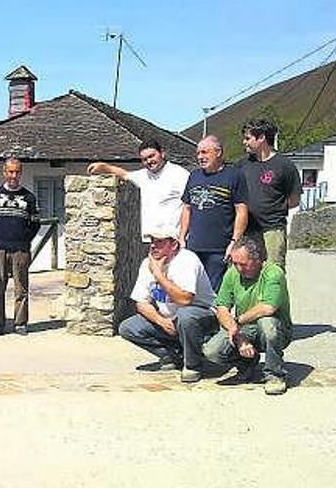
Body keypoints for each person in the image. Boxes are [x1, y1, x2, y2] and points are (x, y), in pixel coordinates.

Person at [117, 227, 217, 383]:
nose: (153, 246)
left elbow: (185, 300)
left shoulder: (187, 261)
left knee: (186, 315)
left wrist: (158, 275)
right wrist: (160, 321)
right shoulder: (147, 264)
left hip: (202, 318)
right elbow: (141, 302)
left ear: (174, 245)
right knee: (128, 327)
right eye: (152, 242)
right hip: (170, 319)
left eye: (159, 242)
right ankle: (171, 355)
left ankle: (193, 365)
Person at [202, 237, 293, 395]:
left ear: (257, 260)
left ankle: (275, 374)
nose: (238, 268)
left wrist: (238, 322)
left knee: (267, 324)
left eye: (243, 264)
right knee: (212, 351)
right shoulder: (232, 274)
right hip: (244, 328)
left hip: (275, 328)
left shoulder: (273, 273)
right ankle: (247, 364)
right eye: (235, 263)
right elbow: (222, 307)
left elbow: (268, 307)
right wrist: (236, 334)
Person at [178, 135, 248, 290]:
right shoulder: (194, 176)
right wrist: (182, 237)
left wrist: (234, 242)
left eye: (204, 152)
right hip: (193, 246)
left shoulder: (234, 176)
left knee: (214, 295)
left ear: (218, 152)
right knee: (191, 291)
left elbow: (241, 211)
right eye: (198, 153)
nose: (200, 157)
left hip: (219, 249)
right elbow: (187, 208)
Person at [87, 138, 190, 241]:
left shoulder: (179, 174)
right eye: (145, 159)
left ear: (162, 154)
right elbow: (124, 174)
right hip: (149, 240)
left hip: (171, 240)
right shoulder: (143, 176)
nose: (149, 161)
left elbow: (190, 207)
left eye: (151, 156)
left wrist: (183, 237)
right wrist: (104, 167)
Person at [237, 119, 302, 270]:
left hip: (272, 229)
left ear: (261, 138)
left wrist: (273, 209)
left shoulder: (285, 166)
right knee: (246, 270)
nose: (244, 142)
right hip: (247, 230)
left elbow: (294, 199)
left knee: (273, 272)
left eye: (248, 138)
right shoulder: (241, 166)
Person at [0, 157, 40, 335]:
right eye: (10, 171)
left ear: (21, 173)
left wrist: (24, 239)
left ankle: (20, 323)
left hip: (20, 249)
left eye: (17, 172)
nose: (14, 175)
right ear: (4, 172)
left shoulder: (29, 197)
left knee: (21, 288)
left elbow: (35, 223)